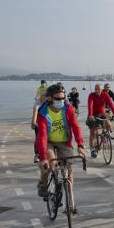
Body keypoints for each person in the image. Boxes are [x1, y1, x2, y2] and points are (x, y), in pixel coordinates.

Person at [35, 84, 85, 213]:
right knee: (50, 165)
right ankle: (42, 182)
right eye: (57, 98)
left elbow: (75, 127)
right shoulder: (43, 111)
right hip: (49, 142)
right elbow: (42, 136)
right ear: (50, 98)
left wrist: (80, 145)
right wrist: (42, 158)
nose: (61, 101)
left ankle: (70, 202)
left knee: (68, 170)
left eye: (63, 98)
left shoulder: (68, 108)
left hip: (64, 142)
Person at [87, 84, 114, 158]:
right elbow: (90, 105)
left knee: (108, 124)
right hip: (93, 115)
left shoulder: (105, 95)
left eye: (99, 89)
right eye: (96, 89)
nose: (97, 90)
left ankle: (104, 136)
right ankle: (92, 149)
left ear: (102, 89)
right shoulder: (91, 95)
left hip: (102, 113)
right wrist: (91, 115)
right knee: (93, 132)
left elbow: (110, 103)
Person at [31, 80, 49, 163]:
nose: (44, 97)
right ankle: (37, 154)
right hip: (39, 122)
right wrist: (34, 122)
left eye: (46, 96)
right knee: (38, 137)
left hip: (48, 122)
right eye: (43, 96)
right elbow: (35, 111)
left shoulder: (49, 103)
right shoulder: (37, 103)